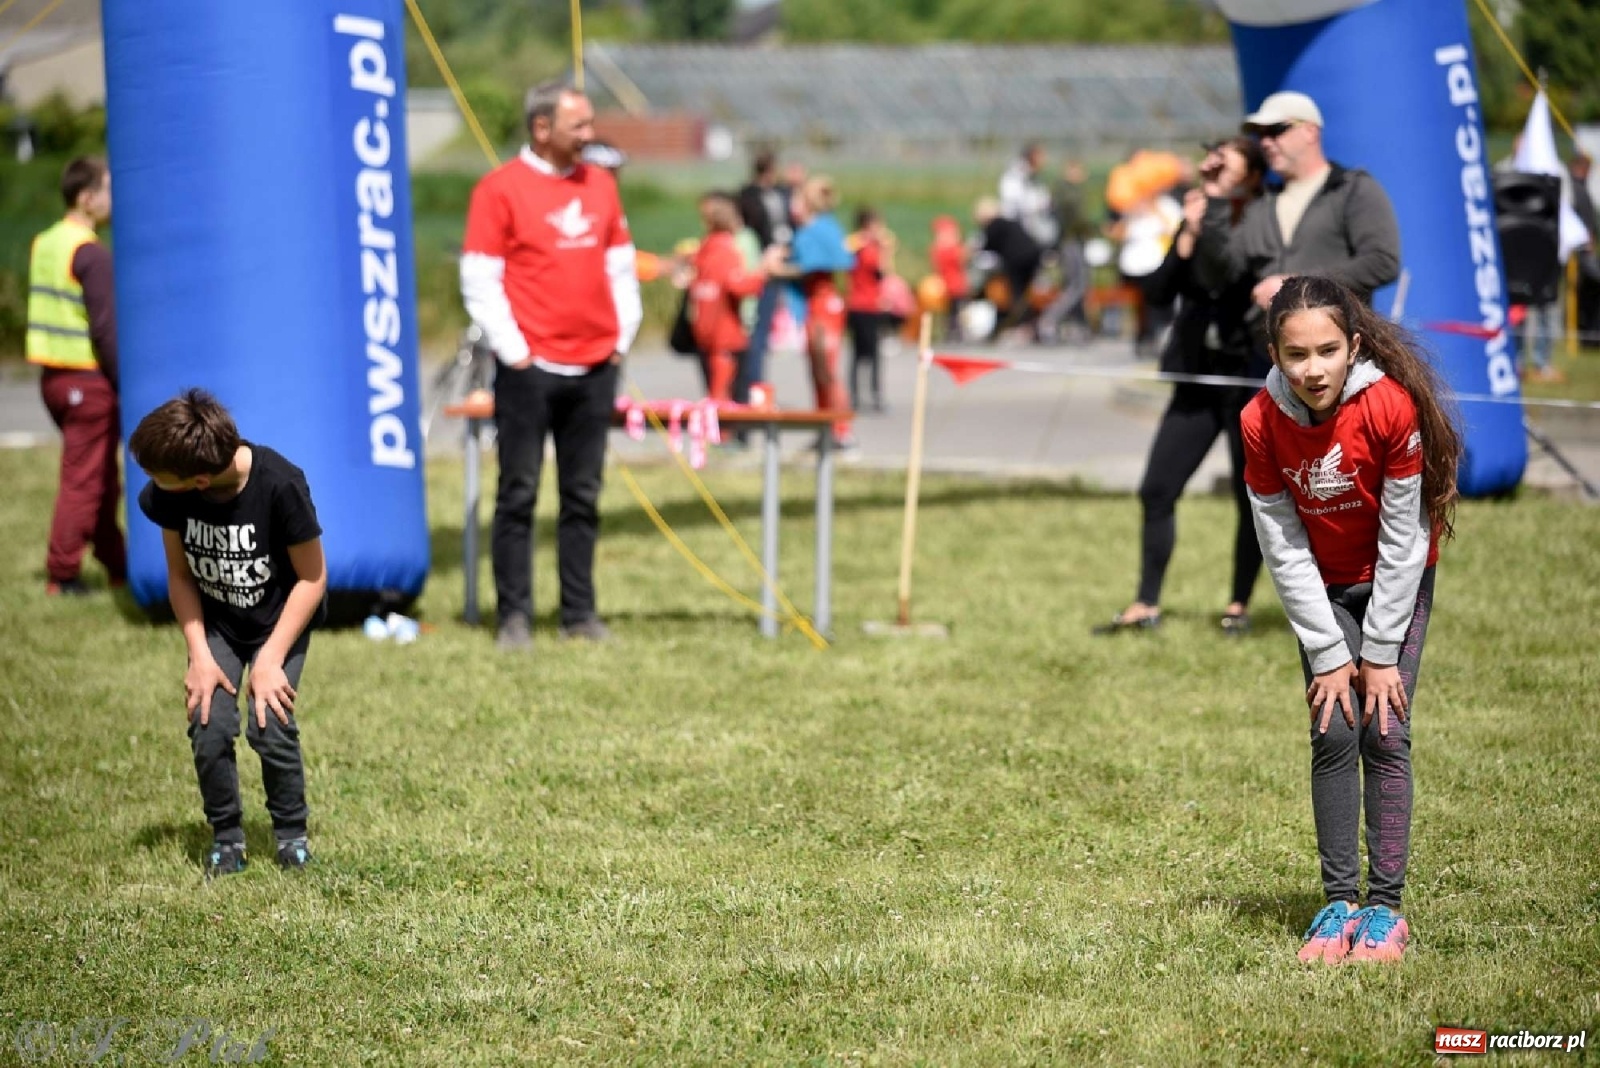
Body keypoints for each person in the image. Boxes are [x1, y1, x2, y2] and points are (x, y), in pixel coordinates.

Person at [1242, 274, 1461, 964]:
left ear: (1354, 347)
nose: (1313, 369)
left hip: (1396, 579)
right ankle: (1339, 903)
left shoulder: (1390, 407)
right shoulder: (1258, 422)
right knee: (1332, 726)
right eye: (1296, 354)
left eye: (1327, 351)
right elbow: (1282, 543)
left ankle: (1385, 910)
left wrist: (1381, 653)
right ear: (1275, 356)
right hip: (1324, 588)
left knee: (1383, 727)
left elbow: (1404, 537)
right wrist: (1331, 652)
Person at [460, 81, 642, 650]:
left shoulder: (601, 185)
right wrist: (517, 352)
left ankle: (579, 614)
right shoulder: (499, 189)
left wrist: (621, 338)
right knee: (518, 494)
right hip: (529, 370)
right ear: (542, 128)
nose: (590, 135)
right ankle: (514, 616)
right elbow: (480, 278)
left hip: (595, 367)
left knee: (582, 495)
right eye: (578, 126)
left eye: (589, 123)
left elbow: (621, 266)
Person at [129, 389, 328, 877]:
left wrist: (270, 659)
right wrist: (199, 654)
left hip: (278, 623)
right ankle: (227, 838)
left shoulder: (280, 484)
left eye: (159, 477)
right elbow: (180, 576)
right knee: (210, 724)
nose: (151, 485)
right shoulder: (170, 497)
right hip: (217, 623)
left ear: (199, 481)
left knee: (269, 724)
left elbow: (312, 578)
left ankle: (291, 837)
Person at [1096, 137, 1269, 636]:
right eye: (1208, 165)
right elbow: (1157, 292)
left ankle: (1238, 605)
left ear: (1251, 177)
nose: (1209, 172)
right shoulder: (1196, 215)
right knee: (1157, 488)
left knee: (1250, 498)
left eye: (1222, 167)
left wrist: (1211, 218)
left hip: (1245, 379)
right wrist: (1186, 237)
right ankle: (1145, 603)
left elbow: (1230, 272)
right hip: (1195, 378)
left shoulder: (1264, 219)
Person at [1195, 91, 1400, 316]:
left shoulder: (1351, 189)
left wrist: (1298, 284)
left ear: (1310, 131)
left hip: (1335, 334)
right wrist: (1216, 198)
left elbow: (1382, 262)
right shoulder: (1260, 205)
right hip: (1268, 337)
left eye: (1276, 130)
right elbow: (1218, 275)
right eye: (1260, 135)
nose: (1265, 142)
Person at [28, 156, 126, 597]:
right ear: (87, 198)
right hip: (87, 383)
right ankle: (62, 574)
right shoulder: (90, 252)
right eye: (108, 190)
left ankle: (117, 563)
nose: (113, 199)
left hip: (53, 378)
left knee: (99, 476)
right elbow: (106, 329)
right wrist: (123, 382)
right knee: (84, 480)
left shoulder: (46, 242)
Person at [778, 176, 856, 447]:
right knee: (817, 371)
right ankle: (825, 428)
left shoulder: (821, 228)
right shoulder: (806, 231)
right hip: (813, 306)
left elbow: (815, 265)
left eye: (796, 200)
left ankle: (842, 431)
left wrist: (778, 269)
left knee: (827, 370)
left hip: (825, 307)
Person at [688, 191, 778, 402]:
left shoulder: (704, 249)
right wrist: (763, 272)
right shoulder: (727, 250)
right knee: (730, 397)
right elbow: (737, 286)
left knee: (715, 391)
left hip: (705, 329)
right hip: (726, 333)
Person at [735, 150, 795, 405]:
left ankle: (756, 385)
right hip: (761, 265)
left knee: (768, 328)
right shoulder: (747, 196)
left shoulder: (780, 193)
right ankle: (753, 385)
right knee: (757, 329)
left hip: (781, 261)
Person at [973, 196, 1043, 339]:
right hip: (1032, 256)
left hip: (1018, 260)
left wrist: (972, 251)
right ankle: (1027, 323)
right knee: (1024, 293)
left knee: (1015, 294)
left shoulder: (994, 225)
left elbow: (986, 246)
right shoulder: (1008, 222)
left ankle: (1019, 324)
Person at [846, 207, 893, 413]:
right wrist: (886, 250)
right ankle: (874, 394)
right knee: (872, 353)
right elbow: (883, 270)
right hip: (867, 305)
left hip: (856, 304)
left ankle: (855, 395)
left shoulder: (854, 245)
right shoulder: (869, 248)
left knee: (857, 353)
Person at [999, 142, 1058, 250]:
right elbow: (1016, 202)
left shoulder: (1034, 176)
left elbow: (1043, 197)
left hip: (1031, 222)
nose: (1044, 160)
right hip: (1017, 224)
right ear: (1033, 156)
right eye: (1041, 156)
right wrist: (1039, 205)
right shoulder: (1016, 175)